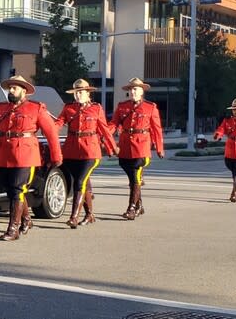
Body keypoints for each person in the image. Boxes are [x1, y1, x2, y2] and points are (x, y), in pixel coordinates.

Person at [0, 75, 62, 241]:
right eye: (10, 88)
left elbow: (51, 133)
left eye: (14, 88)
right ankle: (26, 220)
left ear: (24, 91)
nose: (11, 90)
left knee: (18, 190)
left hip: (26, 155)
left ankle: (13, 229)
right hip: (5, 154)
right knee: (11, 191)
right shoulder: (1, 108)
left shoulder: (36, 108)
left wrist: (56, 155)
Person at [54, 79, 117, 228]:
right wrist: (48, 128)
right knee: (83, 184)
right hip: (71, 151)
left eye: (81, 92)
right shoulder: (68, 108)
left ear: (88, 94)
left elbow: (104, 130)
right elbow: (59, 123)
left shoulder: (96, 109)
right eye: (76, 92)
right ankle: (89, 215)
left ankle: (74, 217)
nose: (78, 95)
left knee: (80, 182)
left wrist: (112, 147)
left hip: (90, 151)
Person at [108, 77, 164, 220]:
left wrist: (159, 148)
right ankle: (139, 205)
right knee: (133, 179)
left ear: (141, 91)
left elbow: (157, 129)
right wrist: (105, 133)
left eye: (135, 89)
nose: (133, 91)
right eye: (131, 89)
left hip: (141, 148)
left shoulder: (150, 107)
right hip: (125, 147)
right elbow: (114, 123)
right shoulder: (122, 106)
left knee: (135, 177)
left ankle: (131, 208)